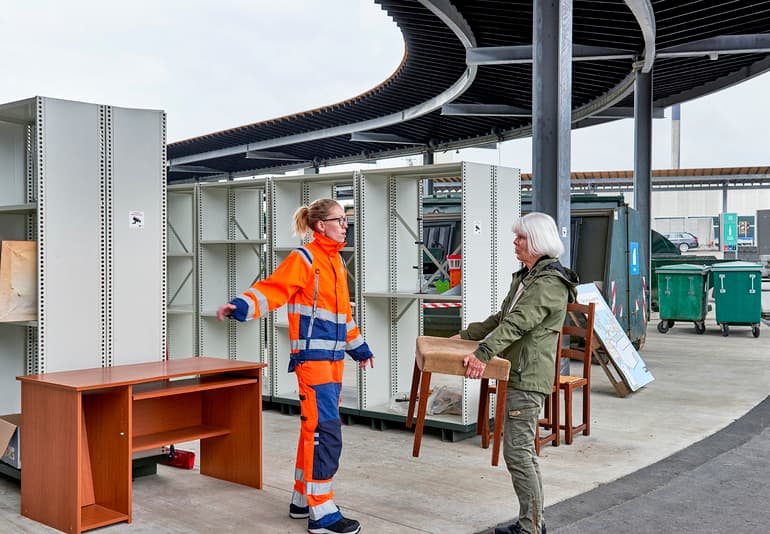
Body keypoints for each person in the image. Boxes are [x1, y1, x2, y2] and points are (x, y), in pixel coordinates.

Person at [218, 198, 374, 534]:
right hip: (313, 364)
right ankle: (323, 513)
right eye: (340, 219)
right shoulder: (305, 259)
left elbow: (343, 316)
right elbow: (273, 290)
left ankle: (302, 500)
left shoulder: (336, 263)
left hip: (332, 364)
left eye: (347, 219)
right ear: (321, 225)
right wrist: (240, 306)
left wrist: (359, 349)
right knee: (326, 434)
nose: (345, 225)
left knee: (313, 431)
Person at [454, 212, 578, 534]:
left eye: (520, 238)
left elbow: (518, 323)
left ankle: (531, 528)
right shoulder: (528, 277)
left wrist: (482, 354)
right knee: (519, 452)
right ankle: (531, 523)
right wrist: (466, 336)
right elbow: (501, 317)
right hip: (517, 370)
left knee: (519, 453)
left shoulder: (548, 283)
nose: (515, 242)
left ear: (536, 242)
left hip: (528, 375)